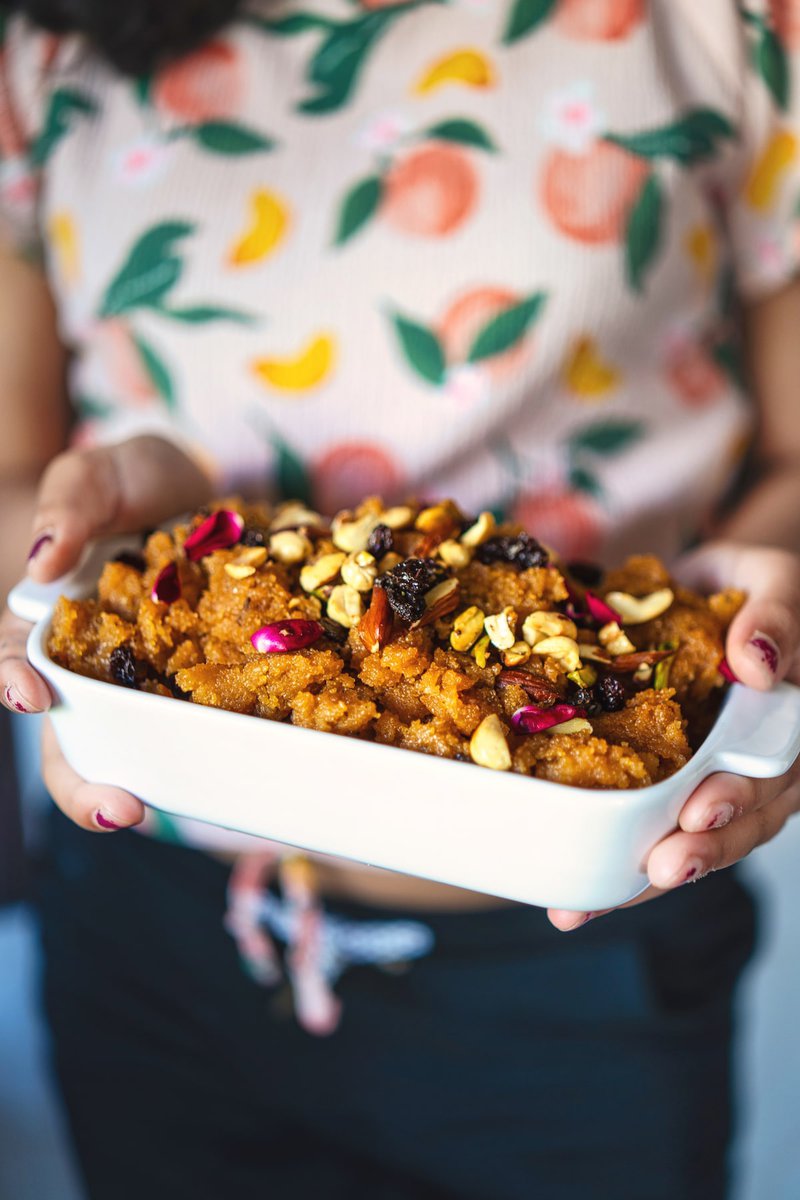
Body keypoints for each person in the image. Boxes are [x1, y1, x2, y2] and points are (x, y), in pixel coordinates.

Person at [1, 0, 800, 1196]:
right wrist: (76, 536)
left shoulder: (725, 25)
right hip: (153, 939)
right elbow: (17, 482)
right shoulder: (45, 50)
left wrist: (769, 632)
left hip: (580, 970)